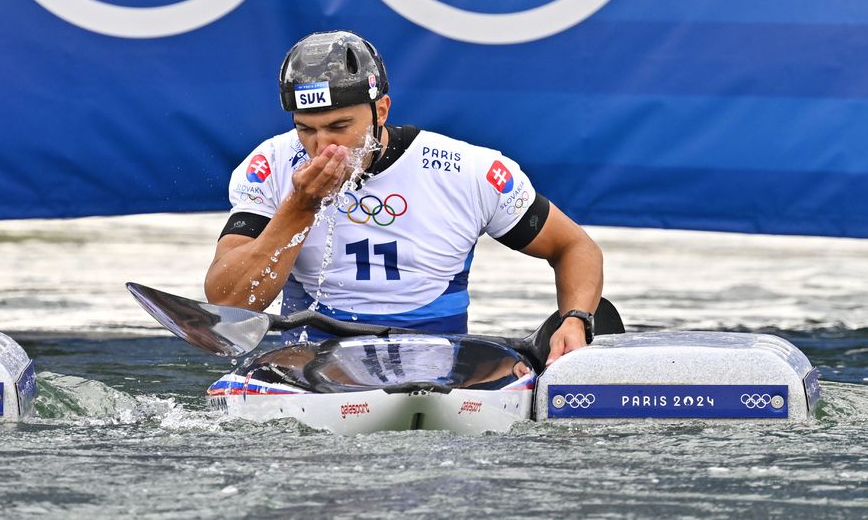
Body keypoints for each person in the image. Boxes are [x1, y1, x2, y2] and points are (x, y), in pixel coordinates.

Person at [204, 31, 603, 366]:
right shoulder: (270, 165)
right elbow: (229, 299)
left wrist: (575, 319)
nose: (323, 147)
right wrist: (299, 208)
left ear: (382, 109)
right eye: (305, 129)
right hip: (312, 365)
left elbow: (574, 246)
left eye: (340, 126)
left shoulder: (470, 170)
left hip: (439, 367)